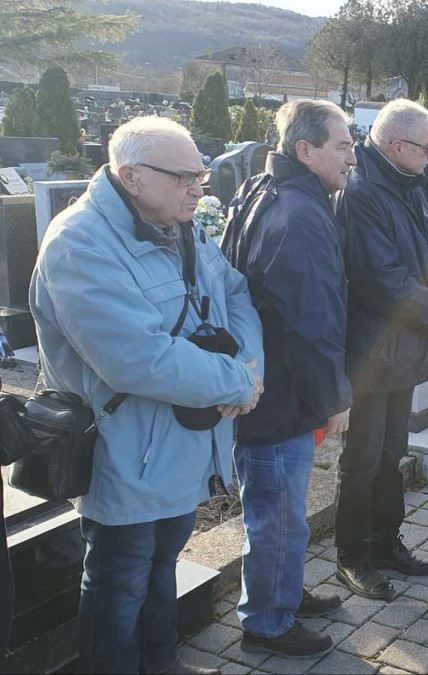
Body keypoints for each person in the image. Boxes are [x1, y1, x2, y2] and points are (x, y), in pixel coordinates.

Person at [30, 116, 264, 674]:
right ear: (131, 175)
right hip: (125, 451)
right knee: (119, 579)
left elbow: (234, 292)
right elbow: (136, 357)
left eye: (200, 175)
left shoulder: (181, 225)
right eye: (184, 177)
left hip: (181, 445)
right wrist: (236, 382)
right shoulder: (79, 243)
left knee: (163, 567)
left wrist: (248, 367)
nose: (198, 189)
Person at [221, 100, 355, 659]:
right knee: (276, 514)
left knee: (284, 511)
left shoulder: (272, 190)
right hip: (279, 395)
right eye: (344, 145)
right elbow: (309, 321)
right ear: (306, 150)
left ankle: (284, 593)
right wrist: (335, 398)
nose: (354, 155)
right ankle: (268, 622)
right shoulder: (298, 214)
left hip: (275, 384)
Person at [331, 99, 428, 598]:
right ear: (396, 146)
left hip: (402, 345)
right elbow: (381, 278)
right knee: (362, 459)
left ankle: (386, 542)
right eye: (427, 145)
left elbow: (427, 254)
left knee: (392, 453)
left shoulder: (408, 182)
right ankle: (352, 555)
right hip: (369, 349)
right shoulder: (363, 192)